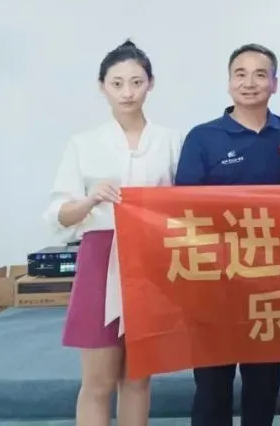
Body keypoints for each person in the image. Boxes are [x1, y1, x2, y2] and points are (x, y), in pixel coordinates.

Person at [44, 39, 181, 426]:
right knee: (98, 382)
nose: (127, 92)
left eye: (136, 82)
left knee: (138, 378)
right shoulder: (83, 144)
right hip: (100, 258)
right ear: (101, 86)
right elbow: (60, 214)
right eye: (117, 83)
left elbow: (184, 203)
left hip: (152, 260)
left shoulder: (170, 140)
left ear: (151, 84)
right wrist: (90, 199)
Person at [175, 43, 280, 426]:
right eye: (240, 74)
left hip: (271, 282)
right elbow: (183, 212)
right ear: (229, 82)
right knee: (212, 386)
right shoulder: (202, 138)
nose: (250, 83)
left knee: (263, 386)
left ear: (274, 84)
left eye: (260, 74)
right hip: (214, 282)